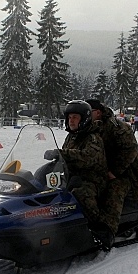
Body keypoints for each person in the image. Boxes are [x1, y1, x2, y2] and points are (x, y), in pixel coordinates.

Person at [43, 100, 111, 248]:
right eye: (69, 117)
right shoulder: (71, 136)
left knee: (81, 194)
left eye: (75, 117)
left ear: (84, 119)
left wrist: (62, 153)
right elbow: (64, 158)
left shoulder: (93, 137)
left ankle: (100, 229)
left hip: (92, 180)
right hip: (73, 176)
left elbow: (87, 158)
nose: (71, 120)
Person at [86, 99, 138, 239]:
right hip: (110, 172)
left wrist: (114, 172)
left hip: (133, 176)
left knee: (114, 188)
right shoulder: (91, 128)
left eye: (88, 112)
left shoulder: (117, 127)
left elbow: (130, 151)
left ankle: (108, 230)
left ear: (97, 113)